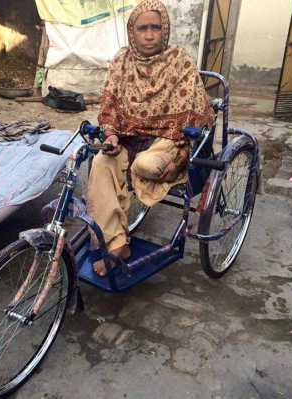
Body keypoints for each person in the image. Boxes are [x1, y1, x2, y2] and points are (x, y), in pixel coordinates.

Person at [87, 0, 214, 276]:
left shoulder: (180, 61)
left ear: (164, 30)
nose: (149, 34)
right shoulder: (121, 61)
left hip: (169, 140)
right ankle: (119, 243)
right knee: (100, 163)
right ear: (132, 31)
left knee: (143, 167)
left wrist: (179, 153)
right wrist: (110, 135)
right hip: (128, 138)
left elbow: (190, 119)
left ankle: (119, 224)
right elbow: (109, 106)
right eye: (142, 28)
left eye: (155, 27)